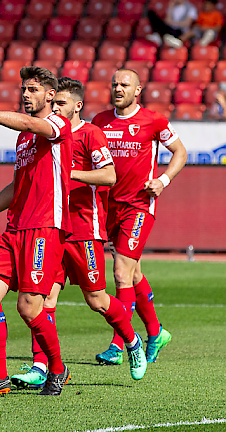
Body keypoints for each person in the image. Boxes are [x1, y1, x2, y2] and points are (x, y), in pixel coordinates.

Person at [9, 78, 147, 390]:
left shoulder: (89, 133)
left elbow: (109, 175)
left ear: (77, 105)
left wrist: (69, 174)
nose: (55, 107)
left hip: (83, 228)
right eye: (53, 102)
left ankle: (132, 340)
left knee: (96, 299)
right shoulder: (43, 135)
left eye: (61, 104)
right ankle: (41, 366)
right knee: (40, 299)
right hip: (49, 227)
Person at [0, 66, 73, 396]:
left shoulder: (56, 125)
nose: (25, 94)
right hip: (15, 227)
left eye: (33, 90)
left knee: (28, 308)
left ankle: (58, 368)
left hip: (44, 228)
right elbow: (17, 185)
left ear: (50, 96)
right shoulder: (24, 139)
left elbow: (28, 122)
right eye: (24, 89)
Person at [92, 69, 187, 365]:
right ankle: (156, 333)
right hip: (109, 208)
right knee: (133, 274)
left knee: (120, 273)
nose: (118, 88)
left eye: (125, 84)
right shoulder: (100, 122)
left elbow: (180, 152)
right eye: (114, 84)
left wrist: (163, 180)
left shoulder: (153, 120)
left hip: (139, 207)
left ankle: (119, 344)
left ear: (138, 90)